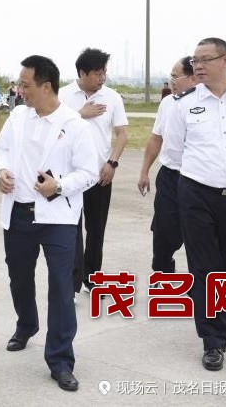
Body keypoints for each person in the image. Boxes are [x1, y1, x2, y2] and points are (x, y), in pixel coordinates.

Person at [0, 55, 98, 392]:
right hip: (20, 213)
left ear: (46, 86)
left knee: (61, 288)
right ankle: (26, 325)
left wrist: (60, 186)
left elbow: (90, 173)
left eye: (25, 85)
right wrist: (1, 171)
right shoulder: (18, 117)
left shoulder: (74, 124)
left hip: (58, 218)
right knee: (19, 277)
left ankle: (61, 360)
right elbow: (3, 150)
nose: (19, 90)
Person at [164, 37, 226, 371]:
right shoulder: (183, 104)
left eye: (206, 59)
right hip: (197, 194)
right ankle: (213, 340)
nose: (199, 66)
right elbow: (175, 153)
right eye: (195, 60)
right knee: (205, 269)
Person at [58, 48, 128, 295]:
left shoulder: (112, 97)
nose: (102, 77)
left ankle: (92, 278)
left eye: (104, 72)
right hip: (70, 177)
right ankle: (73, 284)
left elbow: (122, 133)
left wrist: (112, 163)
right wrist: (80, 115)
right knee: (72, 231)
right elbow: (52, 129)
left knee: (96, 229)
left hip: (100, 175)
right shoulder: (63, 95)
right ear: (82, 72)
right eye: (98, 73)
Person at [137, 57, 195, 276]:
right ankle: (162, 270)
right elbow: (155, 139)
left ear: (192, 78)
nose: (171, 81)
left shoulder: (206, 105)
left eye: (174, 76)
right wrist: (144, 171)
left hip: (198, 179)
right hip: (170, 176)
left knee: (198, 233)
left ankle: (200, 281)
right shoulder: (167, 103)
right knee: (164, 229)